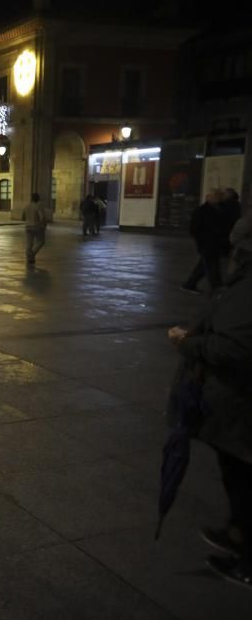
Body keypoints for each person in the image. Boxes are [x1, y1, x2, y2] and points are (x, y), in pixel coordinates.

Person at [168, 249, 252, 590]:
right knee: (235, 470)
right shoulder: (241, 284)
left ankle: (248, 559)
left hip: (242, 401)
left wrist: (190, 344)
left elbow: (237, 348)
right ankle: (238, 532)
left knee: (244, 476)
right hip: (235, 405)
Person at [182, 191, 229, 293]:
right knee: (212, 265)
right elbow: (194, 229)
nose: (219, 199)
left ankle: (190, 284)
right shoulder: (202, 211)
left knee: (205, 265)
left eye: (219, 197)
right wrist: (202, 240)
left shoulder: (218, 209)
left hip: (214, 243)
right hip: (207, 243)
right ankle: (216, 286)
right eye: (216, 196)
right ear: (208, 198)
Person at [20, 192, 49, 264]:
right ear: (38, 199)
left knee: (29, 243)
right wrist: (44, 225)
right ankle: (31, 254)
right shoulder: (38, 206)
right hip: (37, 226)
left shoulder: (26, 206)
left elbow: (22, 218)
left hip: (28, 227)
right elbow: (42, 217)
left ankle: (29, 258)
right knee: (40, 241)